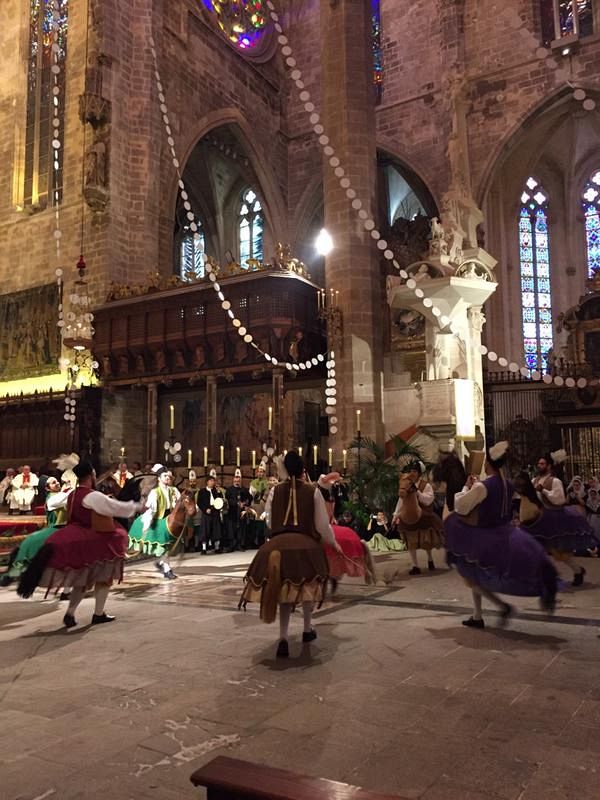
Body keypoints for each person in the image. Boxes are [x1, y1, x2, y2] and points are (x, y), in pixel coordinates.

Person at [239, 450, 342, 659]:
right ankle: (306, 629)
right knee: (307, 588)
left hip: (276, 545)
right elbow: (322, 525)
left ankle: (284, 638)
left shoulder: (275, 491)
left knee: (283, 593)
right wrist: (333, 542)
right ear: (303, 469)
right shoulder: (312, 491)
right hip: (305, 547)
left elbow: (268, 520)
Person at [444, 442, 557, 628]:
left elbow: (461, 506)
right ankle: (478, 614)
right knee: (473, 574)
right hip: (505, 531)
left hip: (485, 535)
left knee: (472, 574)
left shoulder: (483, 486)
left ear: (488, 464)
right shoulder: (508, 485)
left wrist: (466, 488)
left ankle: (498, 607)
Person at [18, 460, 141, 628]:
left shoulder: (72, 494)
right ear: (91, 475)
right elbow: (116, 508)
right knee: (105, 577)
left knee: (81, 580)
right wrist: (138, 506)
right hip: (93, 540)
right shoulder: (93, 495)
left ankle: (70, 613)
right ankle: (98, 614)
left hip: (74, 532)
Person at [519, 461, 597, 586]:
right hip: (538, 519)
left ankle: (577, 570)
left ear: (549, 466)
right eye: (538, 464)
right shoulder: (534, 480)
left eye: (543, 464)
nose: (540, 466)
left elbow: (559, 500)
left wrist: (543, 490)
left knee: (559, 552)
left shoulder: (555, 481)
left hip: (554, 518)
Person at [128, 467, 181, 578]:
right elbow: (151, 509)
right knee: (163, 545)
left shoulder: (174, 490)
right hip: (158, 520)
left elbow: (180, 504)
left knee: (167, 546)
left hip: (169, 519)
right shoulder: (155, 492)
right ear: (159, 478)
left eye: (169, 476)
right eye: (165, 476)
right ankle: (167, 569)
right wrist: (147, 523)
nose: (167, 478)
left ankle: (161, 563)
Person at [393, 461, 443, 573]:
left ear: (419, 473)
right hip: (408, 514)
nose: (412, 473)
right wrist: (396, 514)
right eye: (411, 471)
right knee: (410, 541)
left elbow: (428, 500)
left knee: (427, 539)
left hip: (423, 512)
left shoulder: (426, 485)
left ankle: (430, 559)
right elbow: (401, 500)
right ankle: (415, 565)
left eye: (415, 471)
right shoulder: (407, 483)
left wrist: (418, 493)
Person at [225, 469, 252, 552]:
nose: (237, 480)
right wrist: (236, 503)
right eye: (236, 478)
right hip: (232, 513)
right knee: (231, 529)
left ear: (241, 479)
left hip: (241, 513)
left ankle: (240, 545)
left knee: (241, 529)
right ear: (233, 479)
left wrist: (245, 504)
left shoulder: (244, 489)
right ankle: (232, 545)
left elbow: (250, 498)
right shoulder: (229, 490)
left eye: (239, 478)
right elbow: (227, 500)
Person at [197, 472, 223, 554]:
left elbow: (220, 500)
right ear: (207, 482)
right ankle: (204, 548)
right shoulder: (202, 491)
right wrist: (205, 509)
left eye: (213, 481)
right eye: (211, 481)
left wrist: (219, 492)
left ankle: (217, 547)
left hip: (215, 512)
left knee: (216, 530)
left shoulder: (217, 491)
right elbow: (199, 502)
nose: (213, 482)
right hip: (206, 513)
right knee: (205, 530)